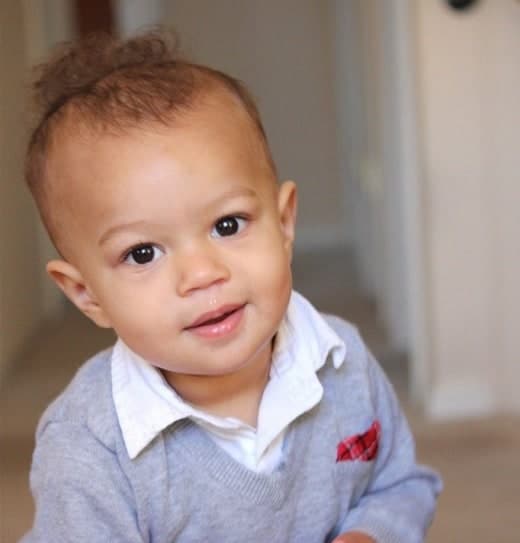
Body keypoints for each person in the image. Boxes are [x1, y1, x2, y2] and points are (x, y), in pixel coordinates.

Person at [21, 30, 441, 543]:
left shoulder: (343, 362)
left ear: (285, 224)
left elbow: (399, 485)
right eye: (143, 253)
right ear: (87, 294)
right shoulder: (88, 446)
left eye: (228, 225)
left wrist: (369, 533)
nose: (202, 275)